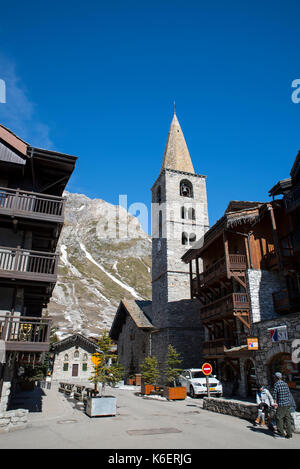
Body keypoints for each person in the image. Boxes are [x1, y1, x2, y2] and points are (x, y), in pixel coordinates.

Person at [273, 372, 293, 439]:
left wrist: (275, 403)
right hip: (287, 403)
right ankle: (289, 434)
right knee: (287, 418)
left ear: (276, 377)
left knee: (279, 418)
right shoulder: (285, 383)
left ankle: (281, 434)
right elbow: (288, 393)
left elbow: (275, 395)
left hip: (281, 404)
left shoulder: (276, 384)